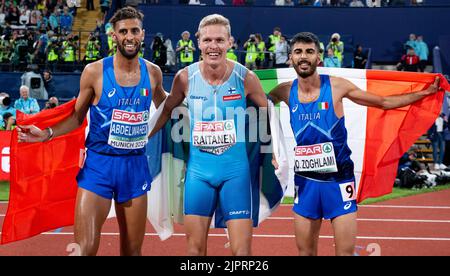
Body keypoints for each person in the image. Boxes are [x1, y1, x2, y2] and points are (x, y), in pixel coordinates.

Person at [268, 32, 441, 256]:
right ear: (290, 58)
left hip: (339, 181)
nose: (304, 57)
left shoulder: (337, 87)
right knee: (305, 253)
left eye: (309, 51)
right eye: (298, 52)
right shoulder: (283, 91)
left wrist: (424, 93)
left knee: (345, 253)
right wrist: (272, 151)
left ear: (319, 57)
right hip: (306, 183)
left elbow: (384, 102)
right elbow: (259, 108)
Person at [17, 6, 167, 256]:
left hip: (135, 165)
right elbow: (77, 116)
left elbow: (166, 106)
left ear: (143, 34)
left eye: (134, 30)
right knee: (84, 249)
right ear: (113, 36)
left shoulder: (153, 73)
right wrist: (46, 134)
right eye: (123, 31)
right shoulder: (95, 72)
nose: (129, 36)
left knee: (133, 251)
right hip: (99, 165)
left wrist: (147, 132)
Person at [149, 14, 268, 256]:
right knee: (194, 251)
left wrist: (274, 153)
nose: (213, 46)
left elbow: (269, 115)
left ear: (230, 42)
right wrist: (145, 138)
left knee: (242, 253)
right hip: (198, 174)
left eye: (219, 40)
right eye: (207, 40)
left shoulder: (246, 78)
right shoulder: (185, 78)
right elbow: (167, 109)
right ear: (198, 43)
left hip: (236, 173)